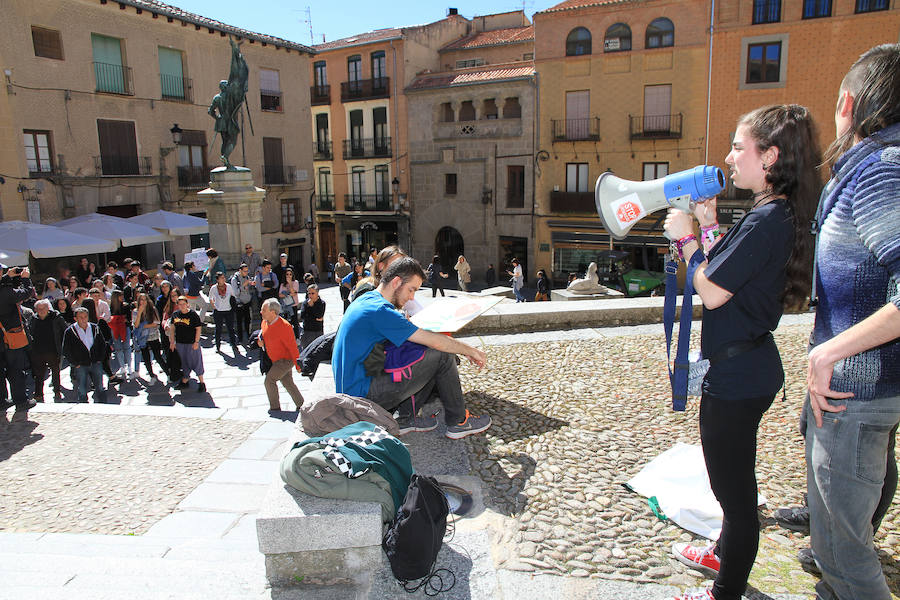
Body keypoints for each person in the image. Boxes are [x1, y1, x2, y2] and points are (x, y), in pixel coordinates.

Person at [661, 104, 821, 600]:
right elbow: (731, 274)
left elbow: (711, 291)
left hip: (737, 378)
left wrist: (685, 241)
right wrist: (707, 230)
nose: (729, 157)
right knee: (732, 482)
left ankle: (724, 591)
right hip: (747, 366)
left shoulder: (767, 218)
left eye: (738, 146)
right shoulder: (772, 212)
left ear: (769, 156)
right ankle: (723, 555)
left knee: (736, 497)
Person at [800, 44, 900, 600]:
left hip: (856, 393)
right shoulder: (873, 168)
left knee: (845, 553)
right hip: (855, 392)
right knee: (837, 537)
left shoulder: (882, 173)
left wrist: (828, 353)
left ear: (849, 103)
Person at [333, 256, 492, 439]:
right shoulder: (380, 311)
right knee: (441, 355)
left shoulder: (369, 298)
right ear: (396, 282)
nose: (412, 297)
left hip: (355, 388)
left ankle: (406, 419)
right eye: (411, 290)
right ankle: (458, 422)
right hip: (361, 399)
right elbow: (435, 342)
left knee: (423, 354)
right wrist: (471, 351)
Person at [0, 266, 36, 419]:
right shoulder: (6, 293)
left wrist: (8, 277)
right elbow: (26, 293)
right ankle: (21, 401)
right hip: (9, 338)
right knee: (16, 370)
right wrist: (26, 278)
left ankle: (1, 401)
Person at [258, 297, 304, 412]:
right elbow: (264, 335)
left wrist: (298, 365)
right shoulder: (264, 322)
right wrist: (261, 342)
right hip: (274, 359)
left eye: (263, 310)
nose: (261, 312)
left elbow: (293, 347)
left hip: (285, 360)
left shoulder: (285, 326)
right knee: (288, 382)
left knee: (269, 381)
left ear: (273, 312)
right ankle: (302, 405)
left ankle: (275, 408)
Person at [61, 307, 107, 404]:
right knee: (82, 387)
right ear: (75, 319)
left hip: (95, 362)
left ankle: (103, 403)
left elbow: (102, 344)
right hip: (80, 364)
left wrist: (100, 359)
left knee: (99, 385)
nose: (83, 319)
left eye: (85, 317)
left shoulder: (95, 328)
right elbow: (66, 349)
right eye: (80, 317)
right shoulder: (70, 331)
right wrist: (74, 363)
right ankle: (83, 405)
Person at [28, 299, 66, 402]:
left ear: (48, 308)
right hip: (38, 351)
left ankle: (57, 390)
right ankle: (38, 394)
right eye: (39, 309)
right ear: (36, 310)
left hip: (53, 350)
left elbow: (65, 330)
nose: (41, 311)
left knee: (55, 371)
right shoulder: (33, 319)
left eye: (43, 308)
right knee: (39, 374)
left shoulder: (56, 317)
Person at [168, 296, 205, 393]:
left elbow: (198, 328)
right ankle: (185, 380)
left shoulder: (193, 315)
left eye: (184, 304)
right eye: (180, 304)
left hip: (192, 343)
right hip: (180, 343)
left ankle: (202, 383)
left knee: (196, 362)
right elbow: (172, 329)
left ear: (187, 304)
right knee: (184, 362)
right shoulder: (175, 315)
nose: (182, 306)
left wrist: (196, 342)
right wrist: (172, 341)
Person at [131, 293, 167, 385]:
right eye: (141, 300)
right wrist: (139, 313)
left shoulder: (152, 310)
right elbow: (135, 325)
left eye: (144, 299)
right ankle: (152, 376)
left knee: (158, 357)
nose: (143, 302)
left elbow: (156, 323)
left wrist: (142, 326)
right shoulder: (135, 311)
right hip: (143, 338)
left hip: (153, 336)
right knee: (146, 359)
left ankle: (168, 373)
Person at [208, 272, 239, 354]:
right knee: (218, 329)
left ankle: (233, 344)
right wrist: (213, 306)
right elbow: (210, 298)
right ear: (217, 279)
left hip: (228, 310)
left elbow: (233, 296)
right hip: (218, 311)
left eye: (224, 277)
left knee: (231, 328)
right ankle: (218, 345)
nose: (223, 279)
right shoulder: (214, 288)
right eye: (221, 278)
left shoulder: (228, 286)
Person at [108, 289, 134, 381]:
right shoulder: (111, 307)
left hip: (124, 327)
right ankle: (122, 366)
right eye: (120, 296)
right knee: (118, 348)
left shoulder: (126, 306)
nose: (122, 298)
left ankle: (129, 366)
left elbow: (129, 319)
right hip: (114, 328)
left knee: (127, 347)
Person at [230, 264, 254, 345]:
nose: (246, 273)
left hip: (247, 301)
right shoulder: (235, 279)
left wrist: (251, 284)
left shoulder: (247, 277)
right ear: (240, 271)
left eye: (247, 271)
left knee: (248, 320)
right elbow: (235, 293)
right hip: (239, 302)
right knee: (239, 321)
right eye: (245, 271)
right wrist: (243, 285)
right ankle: (240, 338)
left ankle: (248, 336)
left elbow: (248, 289)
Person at [298, 284, 325, 350]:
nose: (310, 295)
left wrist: (312, 306)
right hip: (307, 331)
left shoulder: (321, 303)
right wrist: (314, 317)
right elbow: (303, 316)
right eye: (309, 293)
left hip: (317, 331)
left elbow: (319, 315)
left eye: (313, 293)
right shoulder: (305, 303)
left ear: (317, 293)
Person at [278, 267, 301, 338]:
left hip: (293, 305)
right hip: (285, 306)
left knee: (295, 322)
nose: (288, 276)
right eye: (287, 274)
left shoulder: (295, 282)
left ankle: (297, 337)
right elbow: (280, 294)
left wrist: (290, 283)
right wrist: (288, 294)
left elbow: (294, 292)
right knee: (286, 322)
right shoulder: (282, 284)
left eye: (290, 274)